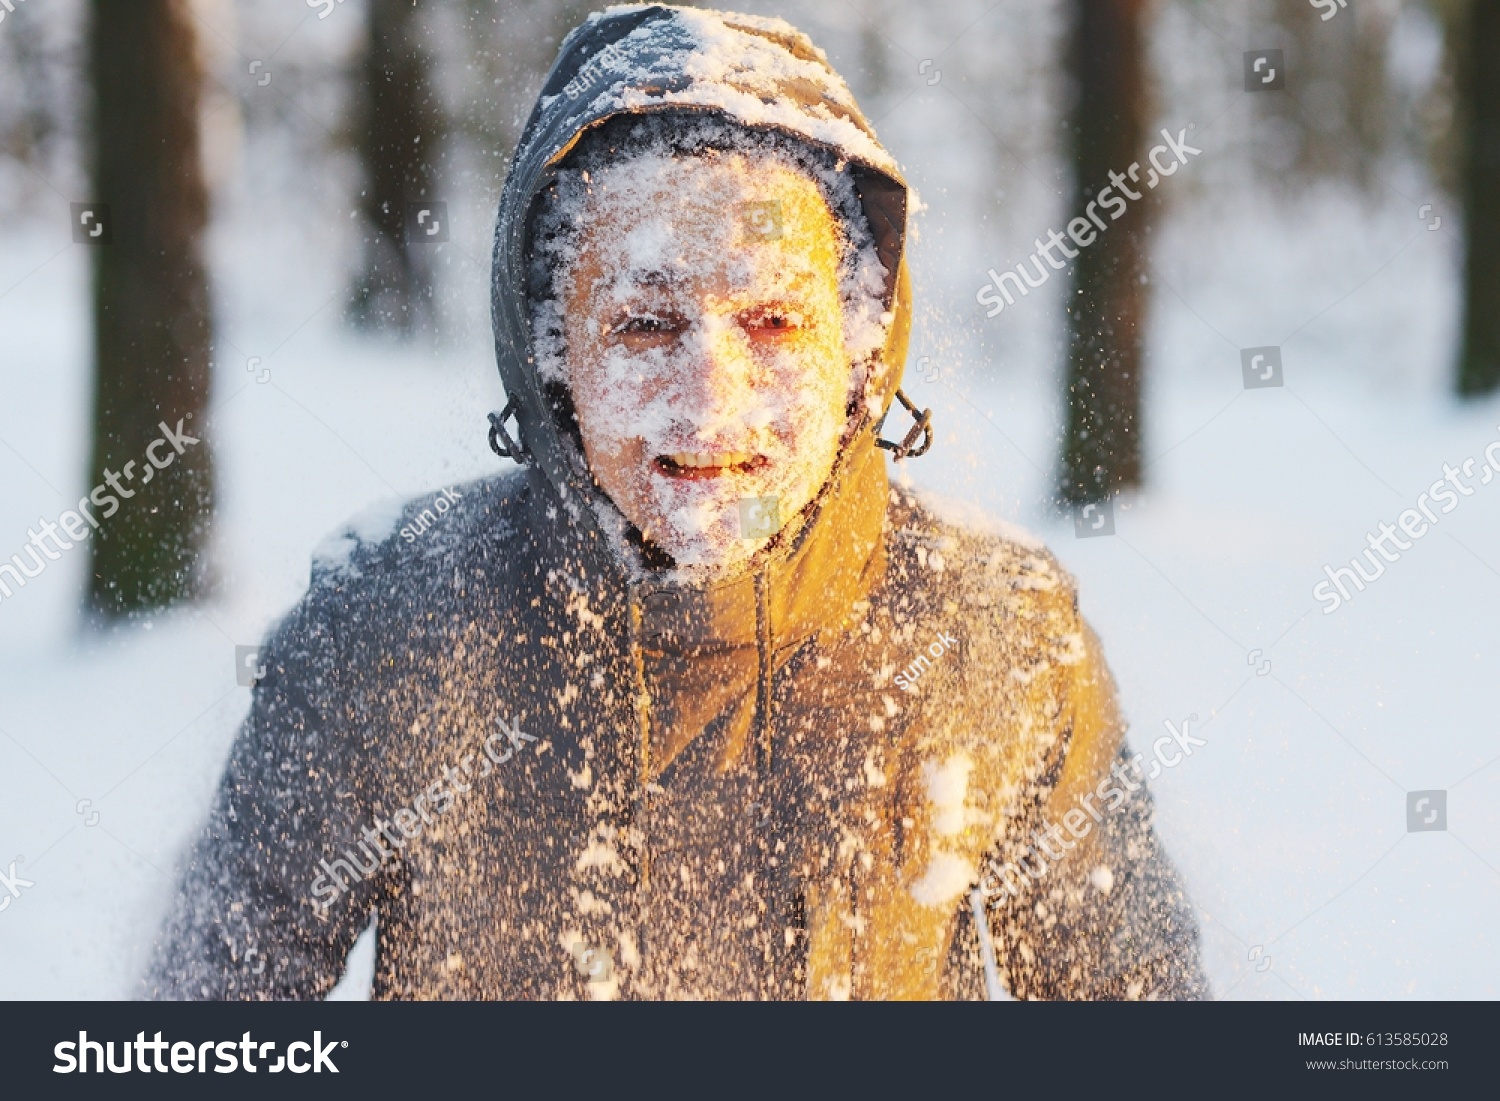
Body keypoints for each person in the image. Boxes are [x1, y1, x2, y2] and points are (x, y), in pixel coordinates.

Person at [148, 4, 1206, 1001]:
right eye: (648, 327)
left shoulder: (992, 634)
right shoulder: (389, 630)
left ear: (860, 348)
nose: (713, 401)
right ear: (552, 351)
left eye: (776, 326)